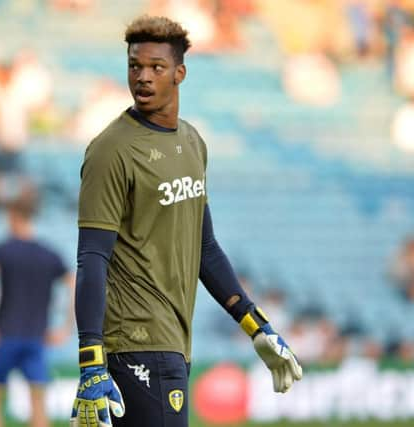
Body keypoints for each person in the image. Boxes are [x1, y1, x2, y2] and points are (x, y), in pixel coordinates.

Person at [70, 15, 303, 427]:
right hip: (135, 344)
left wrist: (256, 325)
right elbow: (92, 257)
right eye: (134, 66)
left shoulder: (192, 142)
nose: (142, 77)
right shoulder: (111, 150)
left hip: (175, 344)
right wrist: (91, 361)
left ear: (180, 73)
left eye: (155, 68)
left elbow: (204, 247)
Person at [0, 193, 75, 427]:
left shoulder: (3, 250)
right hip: (36, 337)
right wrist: (67, 327)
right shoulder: (49, 254)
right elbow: (73, 285)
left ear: (13, 216)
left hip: (5, 335)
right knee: (38, 401)